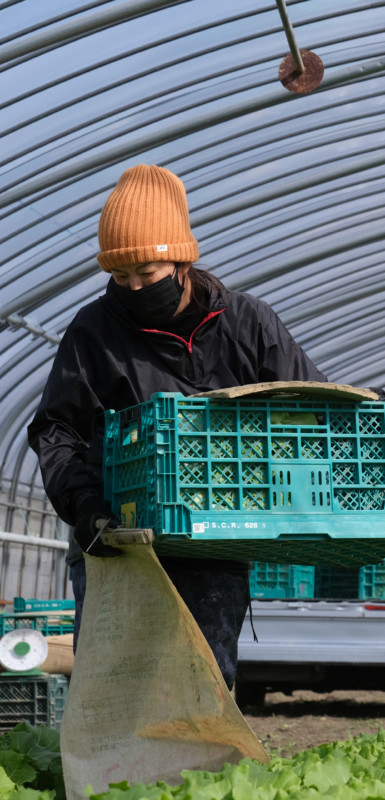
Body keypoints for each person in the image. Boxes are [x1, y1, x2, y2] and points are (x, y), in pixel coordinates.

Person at [27, 164, 327, 689]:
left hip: (216, 534)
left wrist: (367, 405)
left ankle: (201, 771)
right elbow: (57, 429)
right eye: (121, 277)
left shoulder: (246, 323)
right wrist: (87, 510)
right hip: (118, 537)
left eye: (148, 273)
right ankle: (111, 773)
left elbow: (308, 403)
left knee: (204, 678)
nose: (135, 287)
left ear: (181, 260)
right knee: (116, 680)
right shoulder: (94, 331)